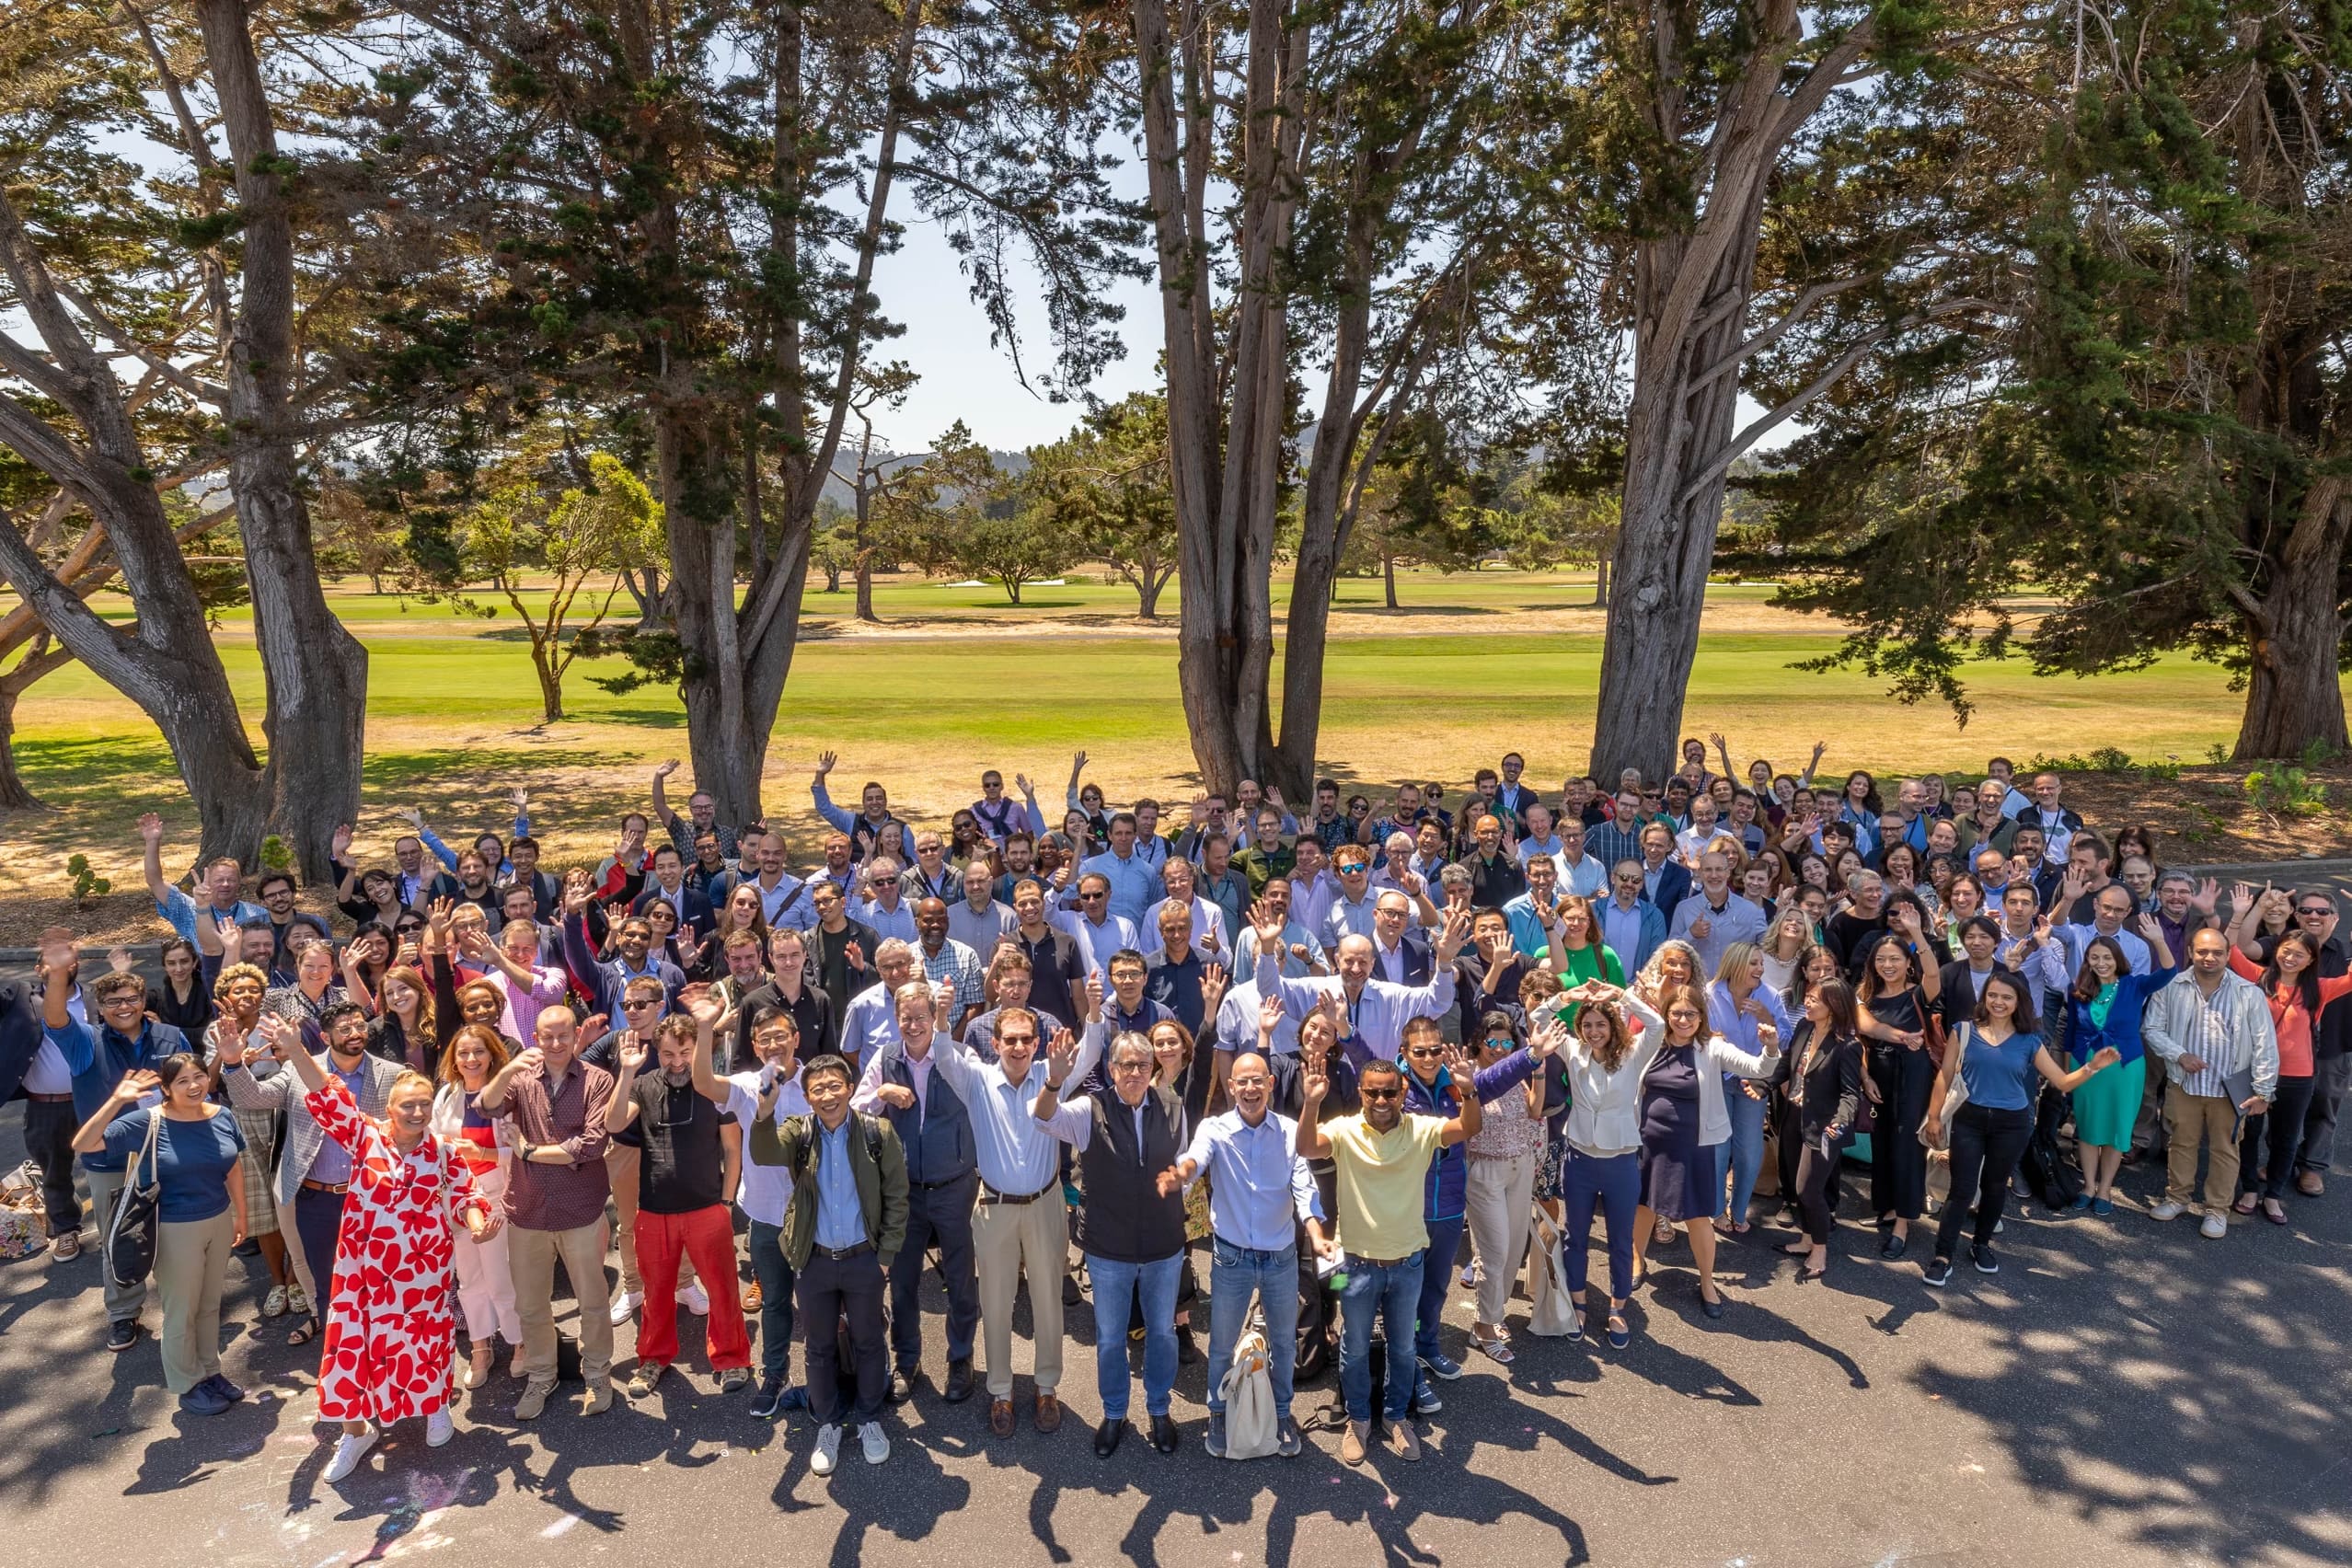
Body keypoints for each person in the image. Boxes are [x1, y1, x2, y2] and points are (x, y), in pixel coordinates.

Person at [259, 1016, 497, 1480]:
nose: (417, 1113)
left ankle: (433, 1409)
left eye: (425, 1105)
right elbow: (326, 1092)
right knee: (352, 1346)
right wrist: (294, 1048)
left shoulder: (444, 1151)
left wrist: (477, 1222)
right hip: (362, 1272)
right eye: (408, 1105)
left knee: (426, 1341)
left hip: (423, 1271)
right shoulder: (365, 1136)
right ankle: (356, 1431)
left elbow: (468, 1194)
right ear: (390, 1108)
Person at [1297, 1038, 1482, 1467]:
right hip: (1354, 1266)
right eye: (1372, 1092)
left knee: (1402, 1348)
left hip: (1408, 1263)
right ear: (1361, 1092)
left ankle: (1396, 1417)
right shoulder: (1343, 1129)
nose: (1381, 1099)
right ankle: (1359, 1419)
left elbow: (1468, 1128)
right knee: (1355, 1347)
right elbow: (1307, 1148)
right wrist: (1310, 1104)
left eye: (1389, 1092)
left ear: (1402, 1092)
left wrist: (1468, 1091)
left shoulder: (1421, 1128)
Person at [932, 985, 1106, 1436]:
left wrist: (1092, 1007)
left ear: (1036, 1042)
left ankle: (1047, 1387)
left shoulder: (1054, 1072)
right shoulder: (975, 1078)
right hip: (994, 1206)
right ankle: (1001, 1392)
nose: (1017, 1047)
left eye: (1025, 1039)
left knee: (1049, 1300)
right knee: (996, 1303)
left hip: (1047, 1202)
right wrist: (941, 1015)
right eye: (1009, 1039)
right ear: (995, 1043)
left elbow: (1089, 1052)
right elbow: (943, 1055)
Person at [1173, 1015, 1331, 1458]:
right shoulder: (1215, 1129)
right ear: (1230, 1086)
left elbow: (1305, 1186)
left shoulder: (1288, 1132)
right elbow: (1195, 1161)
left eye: (1257, 1080)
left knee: (1284, 1343)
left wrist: (1315, 1233)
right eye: (1240, 1081)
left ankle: (1282, 1415)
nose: (1248, 1088)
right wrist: (1180, 1173)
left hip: (1281, 1257)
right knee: (1221, 1345)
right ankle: (1218, 1414)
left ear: (1269, 1084)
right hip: (1232, 1258)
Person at [1032, 1028, 1193, 1458]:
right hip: (1108, 1249)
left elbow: (1184, 1162)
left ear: (1151, 1067)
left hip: (1163, 1245)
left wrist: (1180, 1183)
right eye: (1126, 1065)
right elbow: (1042, 1118)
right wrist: (1053, 1081)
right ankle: (1115, 1412)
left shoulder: (1173, 1105)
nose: (1135, 1073)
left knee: (1161, 1333)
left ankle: (1159, 1409)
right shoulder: (1090, 1109)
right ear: (1112, 1069)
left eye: (1143, 1065)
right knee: (1109, 1338)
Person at [748, 1050, 910, 1476]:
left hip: (864, 1260)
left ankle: (870, 1418)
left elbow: (897, 1197)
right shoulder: (797, 1132)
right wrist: (764, 1111)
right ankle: (828, 1423)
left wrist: (885, 1257)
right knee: (818, 1348)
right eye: (818, 1089)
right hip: (815, 1261)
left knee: (869, 1341)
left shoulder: (878, 1132)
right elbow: (764, 1152)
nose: (828, 1095)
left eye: (836, 1086)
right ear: (807, 1097)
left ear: (851, 1089)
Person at [220, 997, 405, 1350]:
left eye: (360, 1026)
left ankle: (383, 1348)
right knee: (326, 1280)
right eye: (345, 1028)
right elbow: (253, 1098)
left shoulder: (392, 1074)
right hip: (315, 1195)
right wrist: (232, 1062)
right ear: (324, 1035)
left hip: (371, 1196)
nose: (355, 1033)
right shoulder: (297, 1071)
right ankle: (340, 1352)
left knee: (379, 1276)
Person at [70, 1053, 248, 1414]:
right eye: (182, 1081)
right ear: (166, 1089)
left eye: (198, 1077)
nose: (194, 1085)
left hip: (217, 1219)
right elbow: (84, 1144)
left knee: (210, 1304)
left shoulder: (222, 1116)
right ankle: (187, 1383)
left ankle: (210, 1372)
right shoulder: (148, 1121)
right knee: (181, 1309)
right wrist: (118, 1099)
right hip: (174, 1227)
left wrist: (241, 1215)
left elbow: (233, 1167)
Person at [1923, 972, 2123, 1285]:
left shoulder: (2030, 1040)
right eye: (1993, 996)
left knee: (1993, 1187)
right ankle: (1942, 1255)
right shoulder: (1962, 1031)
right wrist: (1934, 1117)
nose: (1998, 1002)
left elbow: (2061, 1081)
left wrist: (2092, 1067)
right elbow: (1944, 1076)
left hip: (2012, 1123)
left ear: (2019, 1002)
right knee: (1961, 1189)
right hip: (1969, 1119)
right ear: (1984, 998)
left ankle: (1981, 1244)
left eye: (2007, 997)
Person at [605, 998, 753, 1400]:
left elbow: (733, 1149)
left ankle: (732, 1357)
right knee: (656, 1291)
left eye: (684, 1052)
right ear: (656, 1050)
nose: (676, 1061)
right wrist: (627, 1070)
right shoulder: (642, 1084)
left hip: (707, 1206)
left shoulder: (714, 1086)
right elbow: (614, 1122)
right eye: (668, 1053)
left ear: (696, 1049)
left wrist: (726, 1203)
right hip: (655, 1211)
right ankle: (653, 1357)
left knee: (722, 1289)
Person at [1396, 1014, 1546, 1402]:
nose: (1428, 1058)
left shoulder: (1457, 1080)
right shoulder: (1392, 1087)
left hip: (1446, 1204)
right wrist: (1346, 1031)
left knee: (1436, 1285)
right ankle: (1404, 1363)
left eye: (1434, 1051)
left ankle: (1428, 1348)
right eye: (1419, 1052)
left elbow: (1496, 1081)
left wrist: (1532, 1055)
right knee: (1400, 1287)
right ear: (1404, 1052)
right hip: (1406, 1202)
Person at [478, 1004, 618, 1418]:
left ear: (577, 1035)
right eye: (546, 1036)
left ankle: (597, 1374)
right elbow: (486, 1106)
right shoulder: (520, 1079)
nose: (555, 1044)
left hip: (580, 1210)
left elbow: (591, 1144)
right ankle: (543, 1375)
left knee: (593, 1301)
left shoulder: (598, 1080)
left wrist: (527, 1150)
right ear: (535, 1038)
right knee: (531, 1305)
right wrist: (506, 1069)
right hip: (528, 1211)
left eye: (563, 1035)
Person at [851, 977, 983, 1406]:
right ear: (896, 1019)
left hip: (955, 1185)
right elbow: (853, 1108)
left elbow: (988, 1104)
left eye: (921, 1017)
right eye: (905, 1018)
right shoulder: (885, 1059)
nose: (913, 1026)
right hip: (905, 1190)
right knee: (903, 1281)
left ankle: (960, 1359)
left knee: (961, 1281)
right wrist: (880, 1094)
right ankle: (907, 1360)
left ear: (934, 1018)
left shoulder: (961, 1055)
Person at [1628, 981, 1779, 1313]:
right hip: (1648, 1141)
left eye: (1691, 1014)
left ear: (1701, 1018)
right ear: (1666, 1016)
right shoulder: (1650, 1042)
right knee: (1643, 1206)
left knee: (1697, 1215)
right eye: (1677, 1013)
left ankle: (1708, 1283)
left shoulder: (1712, 1047)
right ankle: (1636, 1263)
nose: (1683, 1020)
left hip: (1693, 1147)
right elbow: (1617, 1061)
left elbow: (1759, 1069)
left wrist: (1769, 1048)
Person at [2140, 927, 2281, 1237]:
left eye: (2217, 952)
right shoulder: (2171, 986)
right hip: (2184, 1084)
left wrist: (2263, 1091)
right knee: (2181, 1143)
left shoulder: (2249, 992)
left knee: (2225, 1150)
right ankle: (2177, 1197)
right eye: (2202, 951)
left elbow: (2264, 1044)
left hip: (2230, 1090)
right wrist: (2179, 1055)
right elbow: (2152, 1029)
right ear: (2191, 952)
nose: (2209, 957)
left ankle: (2217, 1210)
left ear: (2228, 955)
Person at [2229, 930, 2352, 1225]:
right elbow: (2231, 948)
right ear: (2277, 951)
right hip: (2256, 1072)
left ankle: (2273, 1194)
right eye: (2286, 950)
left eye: (2299, 954)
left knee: (2286, 1138)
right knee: (2250, 1134)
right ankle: (2248, 1190)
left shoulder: (2319, 989)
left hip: (2298, 1075)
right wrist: (2238, 916)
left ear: (2311, 960)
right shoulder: (2259, 977)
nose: (2290, 958)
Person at [2063, 928, 2179, 1216]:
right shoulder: (2077, 991)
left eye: (2107, 957)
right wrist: (2068, 1076)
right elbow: (2070, 1035)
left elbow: (2169, 971)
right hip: (2086, 1065)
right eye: (2094, 957)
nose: (2101, 963)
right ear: (2087, 961)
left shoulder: (2134, 985)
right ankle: (2089, 1185)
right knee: (2088, 1127)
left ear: (2118, 959)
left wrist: (2158, 939)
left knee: (2117, 1127)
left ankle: (2105, 1188)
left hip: (2125, 1065)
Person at [433, 1022, 524, 1388]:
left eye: (479, 1052)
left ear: (492, 1055)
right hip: (456, 1199)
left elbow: (522, 1150)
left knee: (501, 1276)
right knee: (469, 1279)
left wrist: (484, 1152)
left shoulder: (509, 1094)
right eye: (463, 1053)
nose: (471, 1059)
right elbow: (435, 1146)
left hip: (498, 1194)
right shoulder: (445, 1097)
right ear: (454, 1059)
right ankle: (481, 1346)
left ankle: (519, 1343)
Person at [202, 963, 293, 1316]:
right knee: (260, 1203)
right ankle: (277, 1282)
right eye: (238, 990)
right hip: (239, 1116)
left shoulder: (274, 1026)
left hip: (280, 1110)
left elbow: (293, 1065)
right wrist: (232, 1058)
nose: (246, 995)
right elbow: (209, 1084)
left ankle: (296, 1278)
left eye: (253, 989)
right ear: (226, 997)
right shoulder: (217, 1030)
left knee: (289, 1196)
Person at [1461, 1010, 1549, 1363]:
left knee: (1514, 1248)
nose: (1499, 1048)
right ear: (1478, 1042)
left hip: (1520, 1166)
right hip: (1485, 1170)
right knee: (1493, 1252)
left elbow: (1534, 1109)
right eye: (1492, 1041)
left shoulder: (1517, 1072)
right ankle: (1484, 1325)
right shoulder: (1470, 1075)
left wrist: (1538, 1070)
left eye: (1506, 1041)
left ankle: (1494, 1315)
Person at [1852, 920, 1943, 1260]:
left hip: (1913, 1074)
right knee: (1883, 1142)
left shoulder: (1919, 992)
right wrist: (1866, 1076)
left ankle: (1903, 1224)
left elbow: (1933, 975)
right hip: (1878, 1071)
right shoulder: (1866, 995)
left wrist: (1917, 934)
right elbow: (1863, 1030)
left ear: (1908, 963)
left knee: (1906, 1145)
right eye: (1881, 960)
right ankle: (1888, 1208)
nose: (1887, 965)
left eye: (1895, 959)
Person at [1777, 979, 1863, 1281]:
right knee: (1797, 1185)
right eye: (1809, 997)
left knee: (1808, 1189)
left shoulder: (1848, 1045)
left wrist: (1840, 1119)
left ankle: (1820, 1249)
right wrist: (1763, 1085)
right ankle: (1805, 1238)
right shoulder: (1804, 1027)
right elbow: (1787, 1064)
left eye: (1816, 1000)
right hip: (1795, 1119)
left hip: (1824, 1128)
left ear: (1835, 1007)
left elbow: (1851, 1093)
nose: (1808, 1003)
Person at [1706, 942, 1790, 1236]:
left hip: (1753, 1083)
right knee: (1717, 1149)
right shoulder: (1709, 993)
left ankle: (1739, 1210)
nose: (1760, 969)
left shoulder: (1770, 996)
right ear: (1736, 964)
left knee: (1749, 1151)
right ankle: (1715, 1209)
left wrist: (1768, 1020)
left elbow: (1787, 1041)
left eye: (1761, 964)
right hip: (1717, 1081)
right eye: (1754, 963)